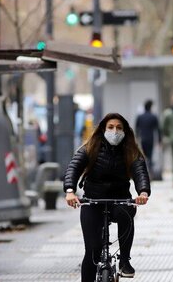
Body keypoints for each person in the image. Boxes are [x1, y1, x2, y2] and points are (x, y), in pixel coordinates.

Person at [63, 113, 151, 282]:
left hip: (120, 200)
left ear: (125, 131)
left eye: (119, 128)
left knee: (126, 213)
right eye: (110, 127)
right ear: (103, 129)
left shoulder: (130, 150)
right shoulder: (90, 148)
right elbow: (73, 168)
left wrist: (143, 193)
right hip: (92, 201)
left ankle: (125, 261)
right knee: (92, 251)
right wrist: (69, 191)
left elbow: (140, 172)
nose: (115, 131)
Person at [135, 99, 161, 173]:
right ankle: (150, 171)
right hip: (150, 139)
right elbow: (158, 129)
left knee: (143, 156)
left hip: (143, 139)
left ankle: (144, 172)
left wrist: (136, 139)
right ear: (151, 107)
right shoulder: (153, 116)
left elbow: (137, 128)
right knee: (150, 156)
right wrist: (159, 140)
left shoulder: (140, 117)